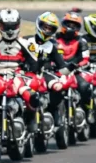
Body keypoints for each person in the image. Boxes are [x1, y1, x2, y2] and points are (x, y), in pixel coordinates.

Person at [0, 9, 42, 147]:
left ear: (18, 26)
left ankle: (31, 120)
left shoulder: (25, 44)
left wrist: (30, 71)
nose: (9, 30)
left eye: (12, 26)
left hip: (17, 77)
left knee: (33, 97)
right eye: (6, 27)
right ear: (0, 26)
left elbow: (34, 63)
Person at [26, 12, 71, 146]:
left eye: (50, 29)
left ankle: (54, 110)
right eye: (44, 27)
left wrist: (66, 73)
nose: (46, 30)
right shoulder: (25, 40)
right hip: (27, 73)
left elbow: (61, 65)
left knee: (57, 87)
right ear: (38, 25)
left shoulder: (53, 45)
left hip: (46, 73)